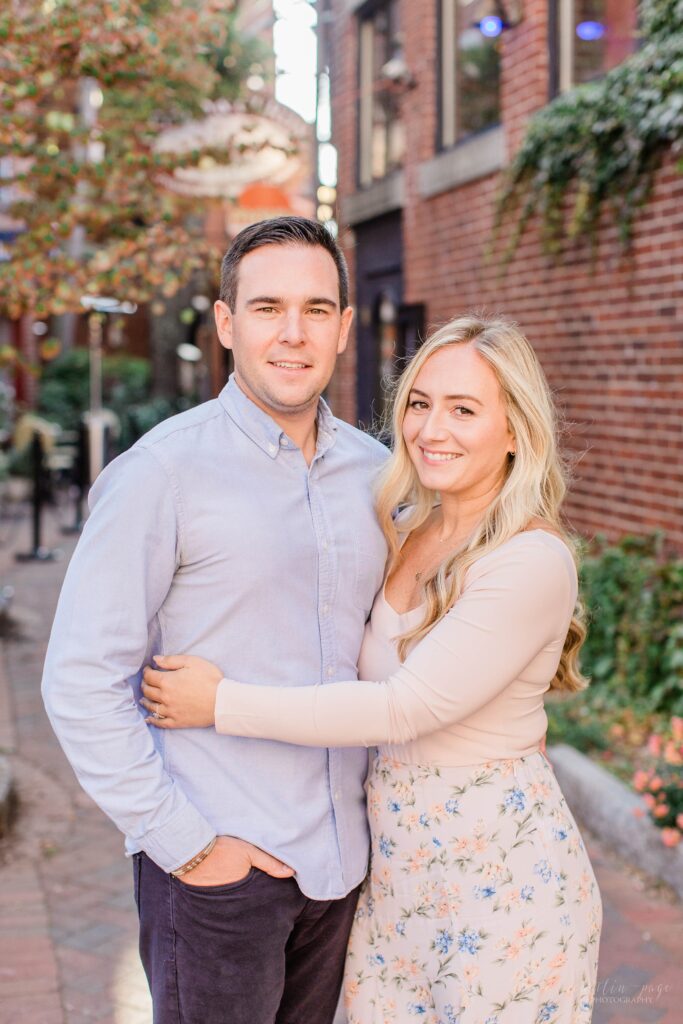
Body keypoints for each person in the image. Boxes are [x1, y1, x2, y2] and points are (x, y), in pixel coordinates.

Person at [141, 314, 603, 1024]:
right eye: (418, 403)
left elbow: (399, 708)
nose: (430, 429)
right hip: (393, 875)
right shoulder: (406, 522)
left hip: (499, 880)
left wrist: (220, 702)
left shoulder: (529, 560)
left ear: (514, 431)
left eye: (463, 409)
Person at [41, 216, 390, 1024]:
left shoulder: (375, 476)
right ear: (228, 323)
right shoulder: (162, 472)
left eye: (315, 309)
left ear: (343, 327)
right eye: (267, 308)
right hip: (217, 871)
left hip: (343, 866)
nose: (292, 334)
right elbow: (82, 677)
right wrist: (188, 845)